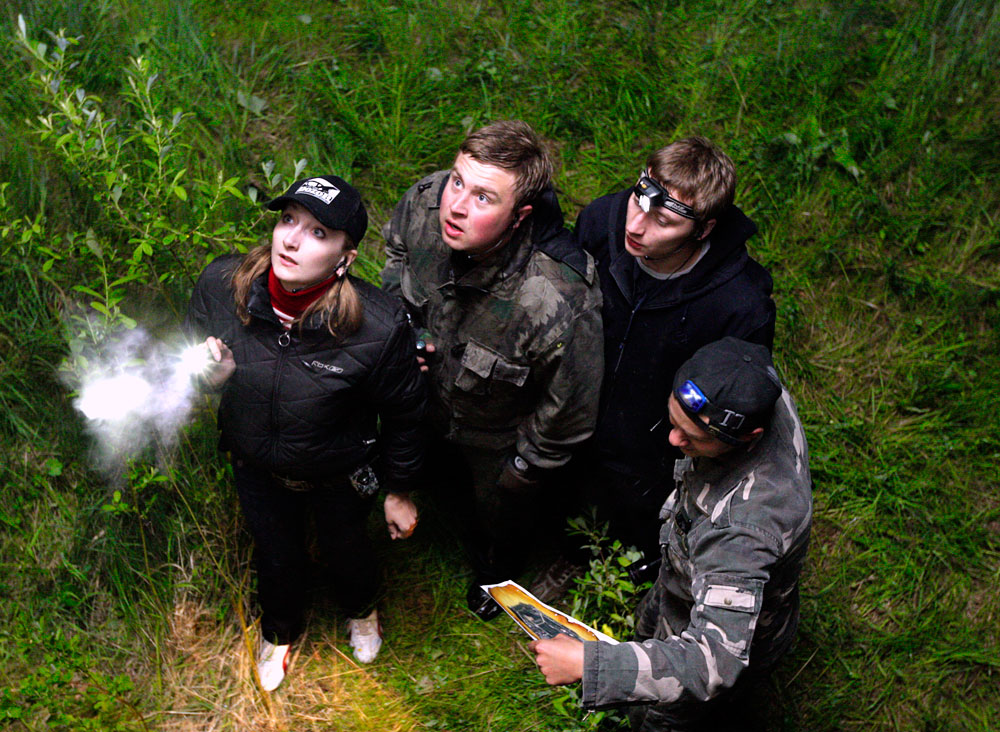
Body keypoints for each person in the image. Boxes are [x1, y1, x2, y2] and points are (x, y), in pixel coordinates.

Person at [184, 175, 426, 691]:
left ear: (346, 257)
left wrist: (399, 490)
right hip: (256, 466)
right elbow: (188, 368)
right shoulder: (220, 285)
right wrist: (211, 379)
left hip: (340, 472)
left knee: (347, 550)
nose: (291, 240)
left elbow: (405, 412)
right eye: (288, 220)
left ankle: (361, 610)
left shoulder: (379, 326)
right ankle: (280, 631)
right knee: (275, 554)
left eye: (318, 232)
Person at [380, 120, 603, 619]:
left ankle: (495, 574)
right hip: (427, 400)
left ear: (520, 216)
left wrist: (523, 470)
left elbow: (569, 410)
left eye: (483, 198)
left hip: (497, 435)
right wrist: (404, 325)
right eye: (458, 181)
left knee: (500, 517)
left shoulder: (557, 296)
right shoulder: (427, 202)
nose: (455, 206)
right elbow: (397, 251)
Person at [529, 337, 812, 731]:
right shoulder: (751, 387)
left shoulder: (740, 532)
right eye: (674, 421)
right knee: (647, 628)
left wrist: (590, 666)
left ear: (749, 436)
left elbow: (713, 662)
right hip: (679, 581)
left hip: (714, 627)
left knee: (658, 718)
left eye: (693, 437)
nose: (673, 440)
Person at [571, 136, 776, 564]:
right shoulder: (600, 223)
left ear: (703, 229)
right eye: (637, 201)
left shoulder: (740, 306)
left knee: (637, 522)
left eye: (663, 222)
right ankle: (565, 550)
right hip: (579, 406)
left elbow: (732, 396)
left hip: (656, 445)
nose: (635, 226)